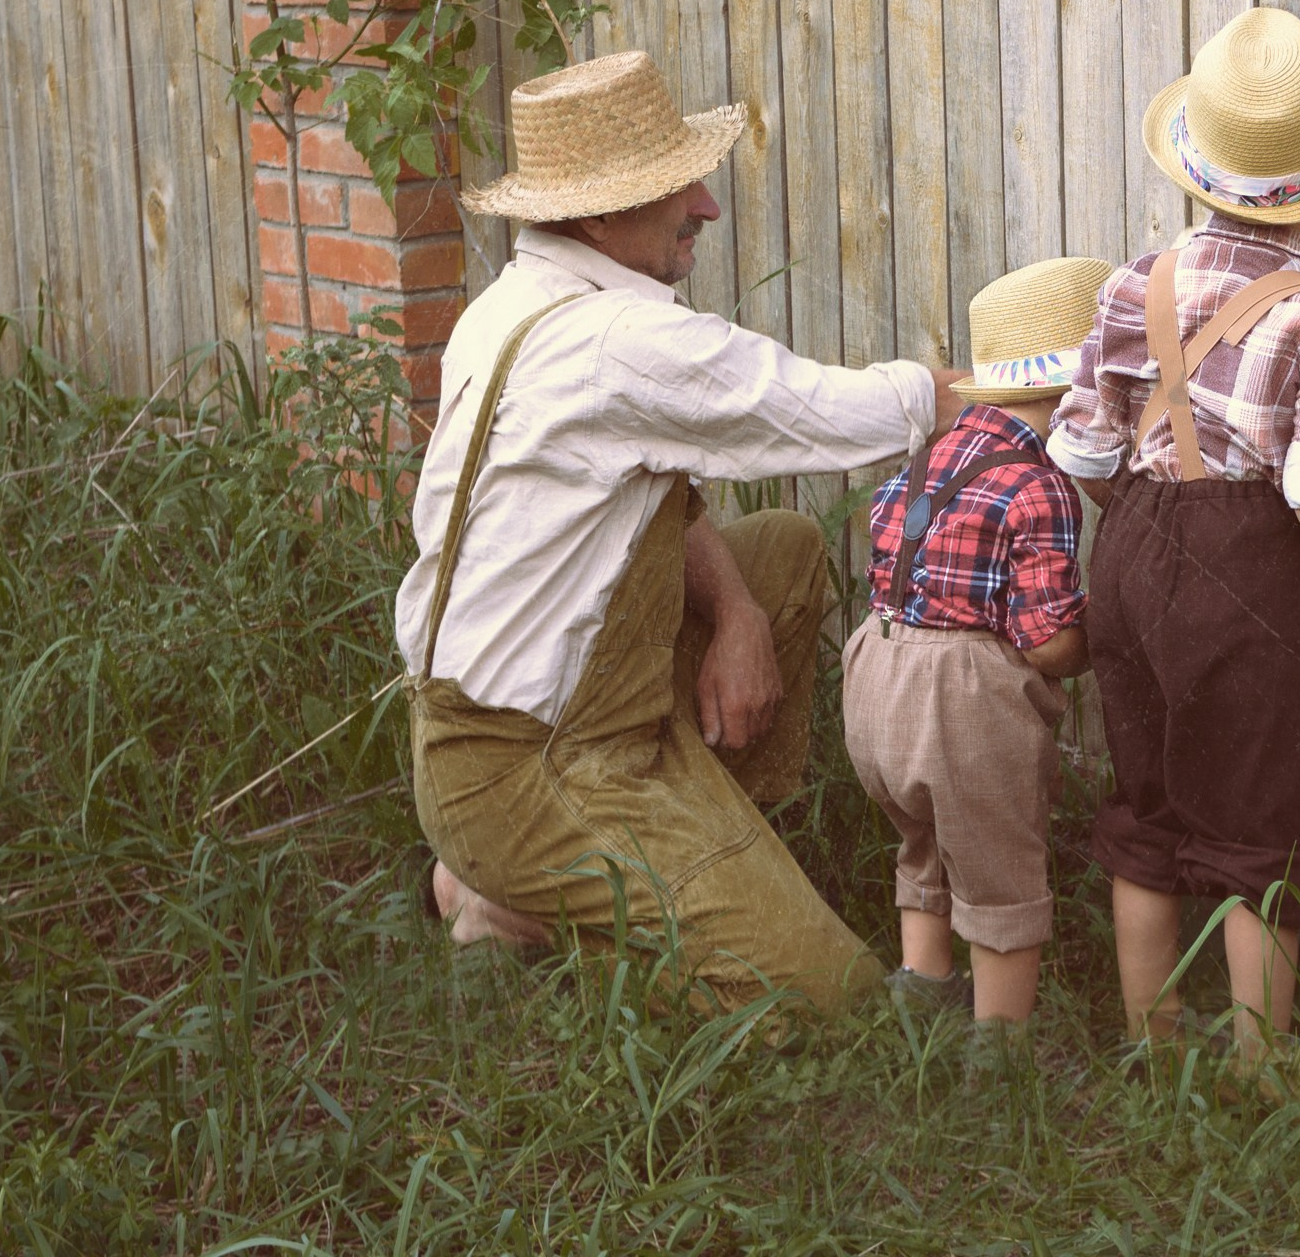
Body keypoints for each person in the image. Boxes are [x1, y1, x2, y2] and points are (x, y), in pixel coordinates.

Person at [397, 50, 968, 1013]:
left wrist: (740, 616)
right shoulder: (619, 340)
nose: (704, 207)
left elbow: (662, 496)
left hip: (538, 717)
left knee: (780, 553)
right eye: (675, 188)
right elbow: (836, 411)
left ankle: (640, 862)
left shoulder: (514, 304)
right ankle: (538, 892)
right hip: (526, 761)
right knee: (837, 1003)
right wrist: (1019, 384)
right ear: (602, 216)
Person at [1046, 7, 1300, 1062]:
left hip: (1129, 559)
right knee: (1259, 816)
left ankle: (1150, 1041)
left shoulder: (1129, 285)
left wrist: (1158, 526)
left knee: (1144, 802)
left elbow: (1082, 458)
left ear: (1195, 166)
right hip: (1251, 573)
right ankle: (1264, 1072)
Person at [841, 258, 1111, 1028]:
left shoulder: (928, 456)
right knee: (998, 873)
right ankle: (1000, 1058)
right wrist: (1108, 633)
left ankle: (920, 992)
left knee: (923, 842)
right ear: (1072, 397)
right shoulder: (1041, 486)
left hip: (875, 677)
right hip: (959, 703)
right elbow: (1047, 644)